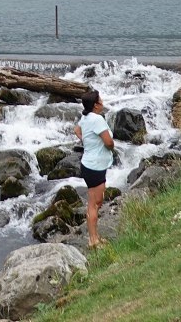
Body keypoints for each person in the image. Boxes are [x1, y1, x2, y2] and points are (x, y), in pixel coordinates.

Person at [74, 89, 115, 250]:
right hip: (94, 167)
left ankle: (95, 237)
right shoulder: (97, 120)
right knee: (94, 204)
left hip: (90, 164)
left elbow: (77, 130)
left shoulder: (86, 117)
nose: (103, 102)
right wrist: (110, 147)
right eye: (101, 100)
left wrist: (87, 141)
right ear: (96, 105)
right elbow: (108, 142)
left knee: (96, 202)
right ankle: (93, 240)